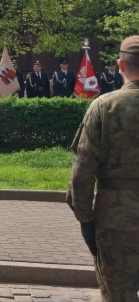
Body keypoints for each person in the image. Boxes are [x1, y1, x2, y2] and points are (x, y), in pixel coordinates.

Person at [67, 35, 139, 301]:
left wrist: (85, 219)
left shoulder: (105, 106)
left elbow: (83, 169)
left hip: (115, 220)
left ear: (120, 65)